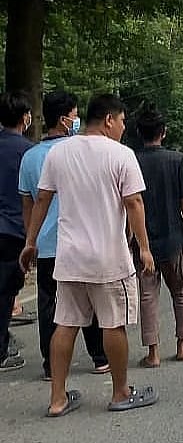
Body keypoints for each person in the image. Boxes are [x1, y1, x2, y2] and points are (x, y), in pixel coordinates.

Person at [19, 94, 159, 416]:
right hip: (108, 258)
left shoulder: (59, 153)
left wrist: (31, 241)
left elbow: (41, 199)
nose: (124, 127)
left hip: (69, 257)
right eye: (122, 121)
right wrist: (145, 247)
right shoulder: (121, 155)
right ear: (109, 120)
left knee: (65, 325)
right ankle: (121, 392)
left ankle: (57, 399)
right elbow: (134, 203)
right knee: (113, 324)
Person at [18, 91, 110, 380]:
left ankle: (51, 366)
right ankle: (99, 357)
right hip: (80, 241)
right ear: (64, 118)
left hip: (46, 245)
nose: (77, 119)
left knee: (50, 306)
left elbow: (28, 205)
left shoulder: (30, 157)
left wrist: (29, 241)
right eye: (75, 113)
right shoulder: (80, 151)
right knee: (90, 301)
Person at [133, 107, 183, 367]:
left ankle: (153, 353)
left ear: (139, 133)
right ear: (164, 132)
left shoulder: (132, 160)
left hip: (143, 241)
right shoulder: (176, 159)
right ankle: (182, 346)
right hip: (174, 239)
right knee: (181, 292)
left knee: (148, 296)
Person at [0, 91, 33, 371]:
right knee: (6, 290)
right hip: (13, 229)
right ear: (25, 118)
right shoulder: (27, 152)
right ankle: (1, 351)